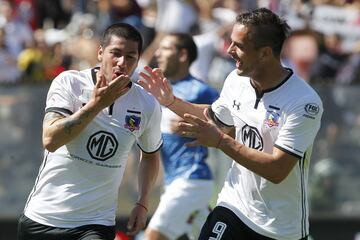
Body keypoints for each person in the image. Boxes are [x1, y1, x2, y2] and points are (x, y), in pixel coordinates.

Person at [139, 8, 323, 240]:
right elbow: (214, 118)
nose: (229, 50)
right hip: (234, 207)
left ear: (265, 53)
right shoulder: (236, 80)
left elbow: (277, 170)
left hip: (280, 227)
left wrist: (220, 141)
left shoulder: (304, 102)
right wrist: (171, 101)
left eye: (239, 46)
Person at [17, 23, 163, 240]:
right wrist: (95, 106)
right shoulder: (70, 83)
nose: (122, 63)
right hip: (43, 218)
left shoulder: (147, 104)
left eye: (131, 56)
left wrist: (142, 202)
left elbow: (151, 155)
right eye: (116, 53)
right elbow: (50, 140)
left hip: (95, 223)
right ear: (101, 52)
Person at [143, 33, 219, 240]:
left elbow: (229, 126)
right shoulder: (159, 90)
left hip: (191, 179)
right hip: (175, 181)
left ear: (183, 55)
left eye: (166, 48)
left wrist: (196, 126)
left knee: (153, 236)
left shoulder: (200, 91)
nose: (158, 54)